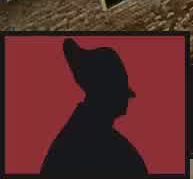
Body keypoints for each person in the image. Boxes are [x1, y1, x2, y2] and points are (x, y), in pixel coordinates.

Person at [41, 39, 148, 175]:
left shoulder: (74, 138)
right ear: (108, 93)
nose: (126, 100)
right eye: (120, 91)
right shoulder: (105, 147)